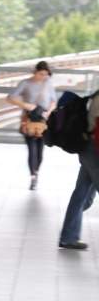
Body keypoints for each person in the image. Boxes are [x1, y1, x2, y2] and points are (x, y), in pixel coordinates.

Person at [6, 61, 57, 190]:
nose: (43, 77)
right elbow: (10, 98)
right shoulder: (25, 83)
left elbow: (54, 102)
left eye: (46, 75)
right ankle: (33, 177)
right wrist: (26, 105)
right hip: (28, 119)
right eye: (41, 74)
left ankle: (36, 172)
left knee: (40, 152)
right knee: (31, 150)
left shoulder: (48, 84)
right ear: (35, 72)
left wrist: (48, 112)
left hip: (44, 121)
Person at [59, 93, 99, 251]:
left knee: (83, 196)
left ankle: (68, 237)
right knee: (82, 196)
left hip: (89, 148)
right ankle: (68, 236)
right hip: (94, 150)